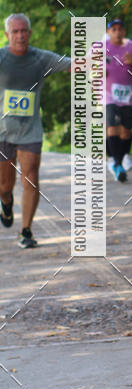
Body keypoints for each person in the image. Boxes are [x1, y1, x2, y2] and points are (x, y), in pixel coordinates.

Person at [0, 14, 71, 248]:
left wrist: (95, 59)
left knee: (30, 176)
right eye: (15, 31)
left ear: (29, 33)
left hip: (30, 131)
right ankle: (6, 203)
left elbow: (72, 64)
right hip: (2, 132)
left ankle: (26, 231)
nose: (20, 35)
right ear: (8, 34)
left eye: (24, 31)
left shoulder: (41, 58)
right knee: (4, 185)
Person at [104, 18, 132, 182]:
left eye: (120, 29)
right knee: (112, 127)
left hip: (128, 95)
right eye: (113, 29)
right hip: (109, 95)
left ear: (124, 31)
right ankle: (117, 164)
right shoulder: (102, 47)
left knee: (126, 130)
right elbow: (90, 67)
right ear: (108, 32)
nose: (117, 32)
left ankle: (121, 159)